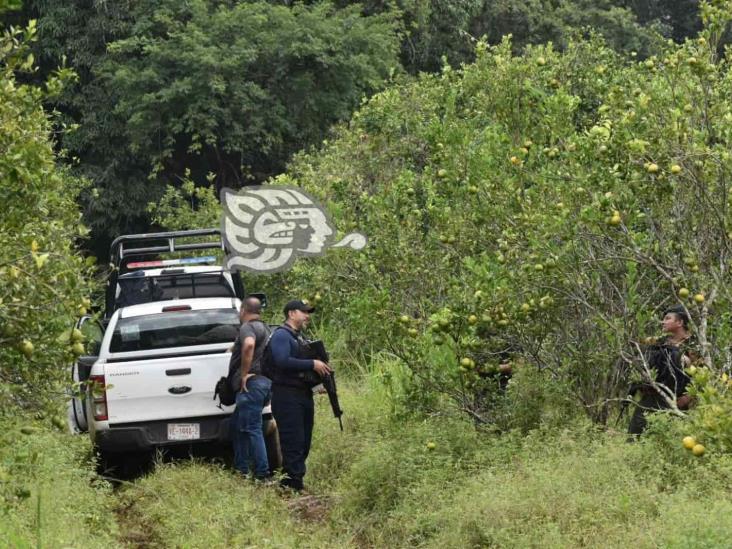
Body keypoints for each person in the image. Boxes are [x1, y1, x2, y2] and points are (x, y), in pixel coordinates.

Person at [270, 299, 331, 491]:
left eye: (308, 313)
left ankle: (290, 482)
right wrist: (312, 364)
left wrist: (315, 386)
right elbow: (282, 361)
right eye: (304, 312)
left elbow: (299, 372)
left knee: (304, 441)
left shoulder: (299, 337)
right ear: (291, 313)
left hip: (303, 395)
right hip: (286, 397)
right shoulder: (281, 335)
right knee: (293, 441)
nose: (307, 316)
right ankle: (293, 485)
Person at [628, 305, 697, 436]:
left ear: (680, 322)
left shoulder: (692, 345)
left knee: (672, 441)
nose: (663, 322)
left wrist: (687, 398)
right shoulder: (658, 344)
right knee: (635, 439)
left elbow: (702, 377)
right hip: (649, 399)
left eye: (667, 318)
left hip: (675, 402)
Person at [230, 297, 272, 479]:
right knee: (238, 425)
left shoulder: (247, 327)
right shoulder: (265, 328)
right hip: (264, 383)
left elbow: (248, 345)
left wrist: (244, 373)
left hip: (252, 385)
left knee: (252, 428)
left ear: (243, 310)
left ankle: (262, 473)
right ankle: (242, 469)